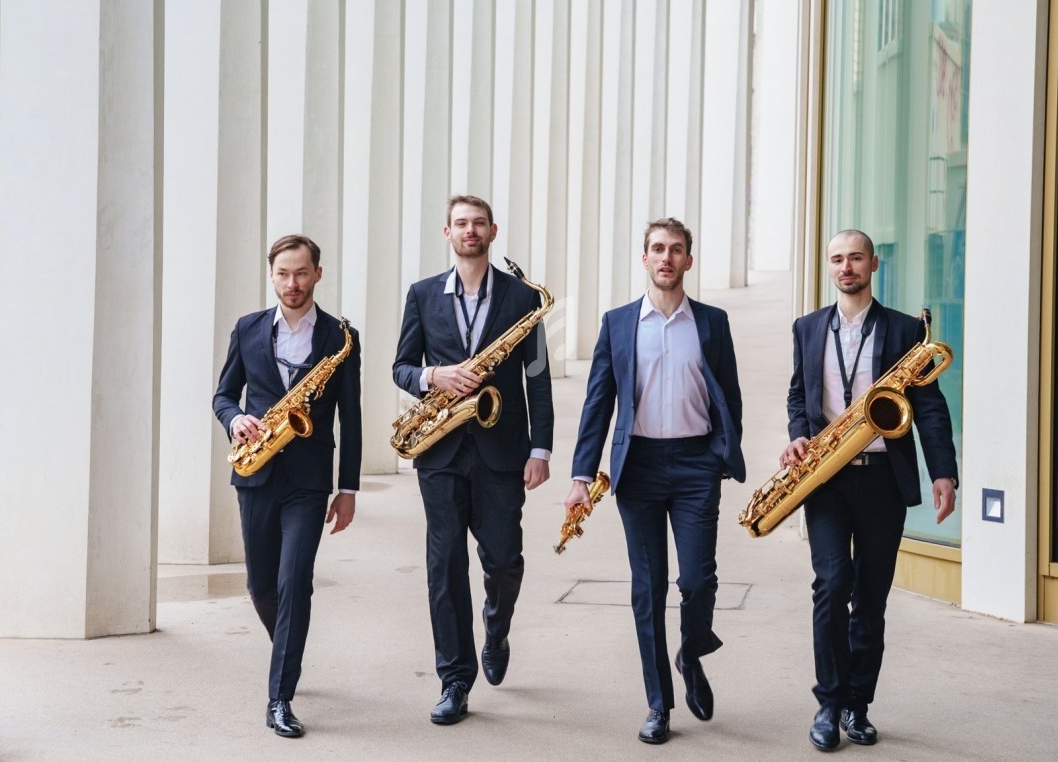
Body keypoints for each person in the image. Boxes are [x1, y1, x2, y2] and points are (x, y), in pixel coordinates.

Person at [566, 217, 745, 745]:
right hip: (638, 467)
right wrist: (581, 474)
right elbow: (598, 402)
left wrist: (719, 453)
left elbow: (729, 396)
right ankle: (658, 703)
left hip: (695, 466)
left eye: (676, 249)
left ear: (688, 259)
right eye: (658, 249)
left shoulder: (711, 322)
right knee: (648, 588)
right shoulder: (618, 323)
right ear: (644, 258)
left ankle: (691, 652)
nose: (667, 257)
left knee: (698, 580)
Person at [779, 229, 957, 751]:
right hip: (827, 479)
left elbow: (930, 406)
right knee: (832, 585)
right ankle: (828, 703)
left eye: (855, 258)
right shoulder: (807, 327)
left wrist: (943, 472)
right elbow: (798, 395)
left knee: (871, 597)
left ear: (873, 264)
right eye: (837, 259)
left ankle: (857, 705)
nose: (846, 267)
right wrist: (798, 435)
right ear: (829, 266)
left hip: (883, 479)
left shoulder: (904, 329)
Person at [392, 195, 554, 725]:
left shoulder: (523, 298)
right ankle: (455, 680)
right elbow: (401, 367)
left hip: (502, 450)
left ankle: (497, 629)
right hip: (440, 451)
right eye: (461, 223)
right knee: (444, 567)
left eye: (478, 223)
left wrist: (540, 448)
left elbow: (538, 378)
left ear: (492, 231)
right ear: (447, 232)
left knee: (504, 561)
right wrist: (433, 375)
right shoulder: (421, 295)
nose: (470, 230)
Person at [212, 234, 362, 739]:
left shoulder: (341, 337)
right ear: (271, 275)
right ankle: (288, 651)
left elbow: (351, 418)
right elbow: (223, 395)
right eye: (283, 274)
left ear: (318, 273)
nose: (292, 283)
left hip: (309, 481)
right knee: (261, 586)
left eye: (301, 273)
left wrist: (347, 489)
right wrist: (235, 420)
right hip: (255, 472)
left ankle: (280, 697)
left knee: (294, 581)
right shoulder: (248, 328)